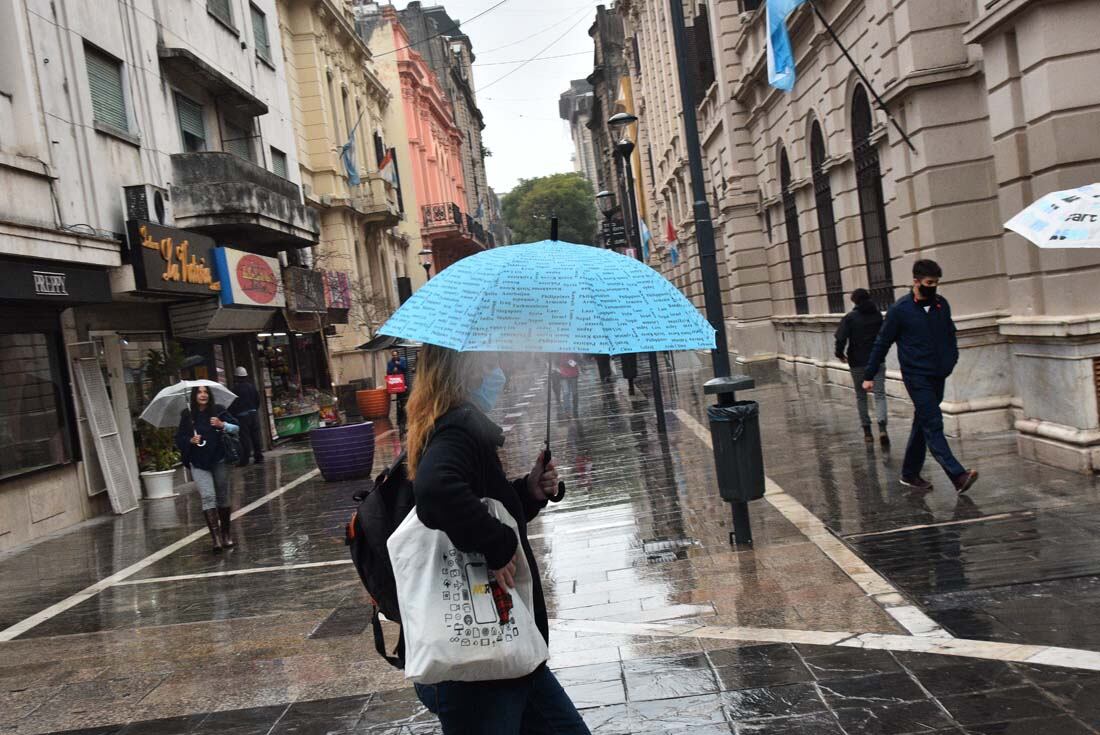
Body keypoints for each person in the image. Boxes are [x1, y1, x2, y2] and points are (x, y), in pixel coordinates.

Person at [405, 345, 590, 735]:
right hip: (480, 658)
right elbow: (437, 490)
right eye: (488, 361)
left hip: (508, 647)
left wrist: (528, 491)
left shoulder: (445, 423)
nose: (497, 371)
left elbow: (480, 499)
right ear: (464, 368)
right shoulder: (457, 426)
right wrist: (499, 545)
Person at [863, 260, 979, 494]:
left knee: (923, 422)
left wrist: (951, 360)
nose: (933, 287)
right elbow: (882, 342)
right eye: (929, 283)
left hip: (938, 374)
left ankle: (909, 473)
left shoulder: (941, 305)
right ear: (916, 281)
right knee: (934, 422)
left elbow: (950, 334)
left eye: (936, 283)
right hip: (916, 376)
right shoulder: (900, 310)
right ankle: (957, 475)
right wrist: (869, 375)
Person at [176, 386, 241, 553]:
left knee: (222, 496)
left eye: (205, 392)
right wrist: (190, 440)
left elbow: (236, 427)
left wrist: (222, 424)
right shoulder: (187, 415)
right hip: (198, 462)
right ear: (194, 396)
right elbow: (179, 438)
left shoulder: (218, 410)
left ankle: (226, 534)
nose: (203, 395)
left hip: (219, 459)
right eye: (199, 392)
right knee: (208, 496)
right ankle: (216, 539)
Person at [835, 288, 890, 447]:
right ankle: (882, 429)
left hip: (857, 362)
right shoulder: (877, 315)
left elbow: (841, 338)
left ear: (854, 301)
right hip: (877, 360)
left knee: (861, 396)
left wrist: (840, 354)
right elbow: (884, 336)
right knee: (879, 395)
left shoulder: (850, 318)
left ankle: (867, 432)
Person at [229, 366, 264, 466]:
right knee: (255, 437)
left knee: (245, 438)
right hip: (253, 414)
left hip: (242, 417)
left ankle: (245, 460)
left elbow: (233, 405)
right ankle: (259, 457)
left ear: (236, 377)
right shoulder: (252, 387)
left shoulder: (234, 390)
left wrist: (234, 415)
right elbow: (258, 400)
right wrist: (253, 410)